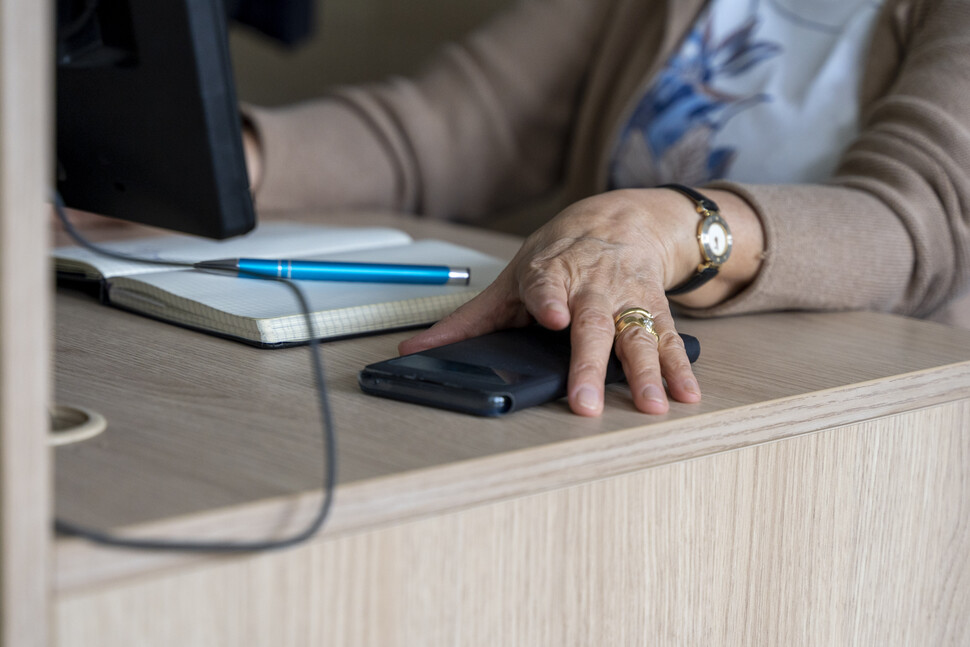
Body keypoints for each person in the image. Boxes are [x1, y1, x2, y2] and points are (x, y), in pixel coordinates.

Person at [241, 0, 970, 416]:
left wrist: (668, 229)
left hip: (850, 418)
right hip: (607, 380)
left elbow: (916, 222)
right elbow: (457, 124)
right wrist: (234, 162)